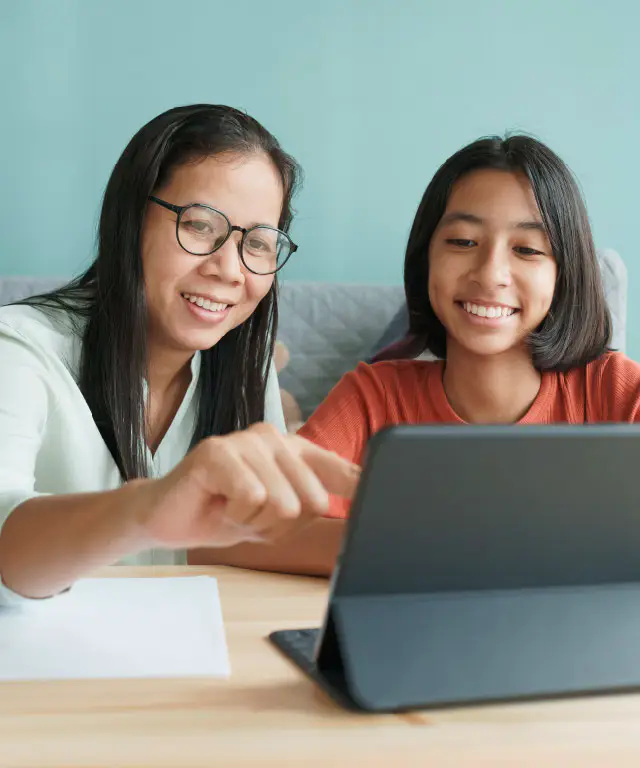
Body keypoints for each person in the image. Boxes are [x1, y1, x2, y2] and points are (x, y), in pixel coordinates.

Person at [201, 133, 640, 576]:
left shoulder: (617, 394)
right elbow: (214, 537)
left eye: (527, 249)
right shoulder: (375, 397)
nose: (490, 274)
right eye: (463, 241)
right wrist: (421, 546)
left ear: (565, 274)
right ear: (425, 257)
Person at [0, 104, 359, 604]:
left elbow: (246, 536)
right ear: (129, 221)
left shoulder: (245, 366)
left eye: (258, 242)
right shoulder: (17, 349)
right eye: (199, 225)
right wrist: (149, 510)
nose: (230, 269)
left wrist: (408, 551)